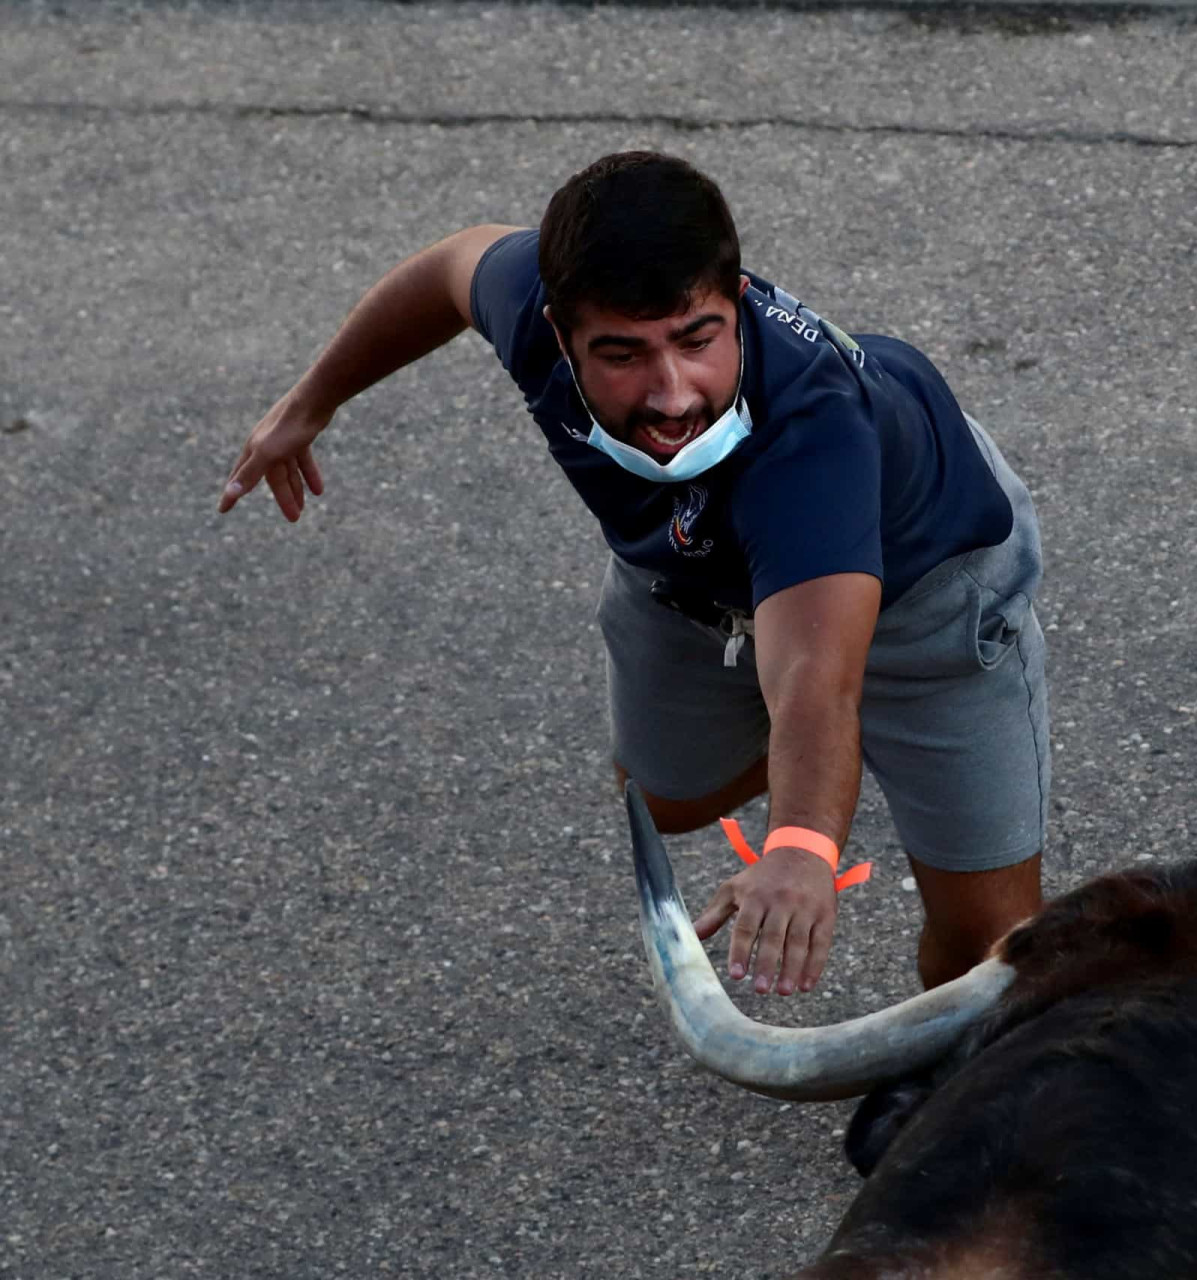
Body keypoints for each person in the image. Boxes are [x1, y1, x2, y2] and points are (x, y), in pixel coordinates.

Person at [218, 150, 1049, 999]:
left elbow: (812, 683)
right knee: (663, 802)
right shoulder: (525, 302)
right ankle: (833, 758)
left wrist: (799, 847)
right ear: (558, 330)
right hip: (696, 578)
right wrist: (312, 399)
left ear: (735, 306)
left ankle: (868, 766)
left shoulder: (814, 439)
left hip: (928, 579)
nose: (671, 393)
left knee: (992, 949)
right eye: (622, 354)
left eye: (698, 340)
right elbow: (446, 268)